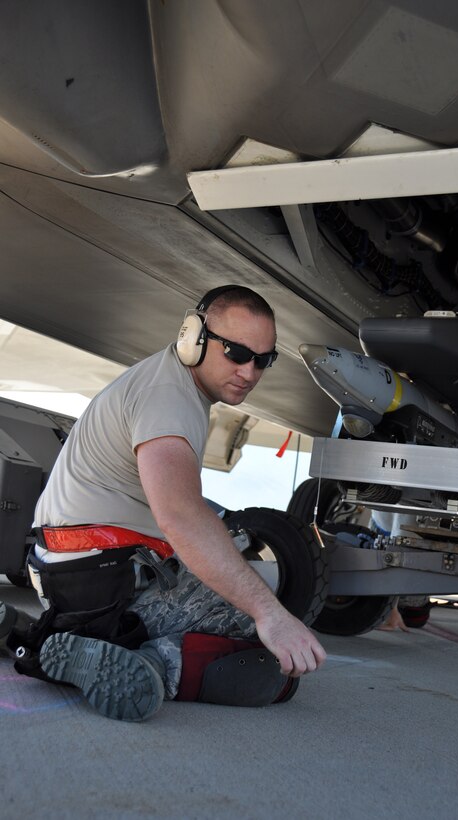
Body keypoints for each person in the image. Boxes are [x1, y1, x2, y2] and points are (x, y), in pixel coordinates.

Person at [3, 285, 326, 721]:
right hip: (104, 577)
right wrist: (269, 614)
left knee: (265, 628)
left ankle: (22, 630)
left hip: (79, 570)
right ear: (193, 336)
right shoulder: (169, 397)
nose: (249, 372)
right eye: (235, 352)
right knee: (272, 665)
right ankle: (139, 663)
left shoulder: (170, 385)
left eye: (263, 360)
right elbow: (180, 515)